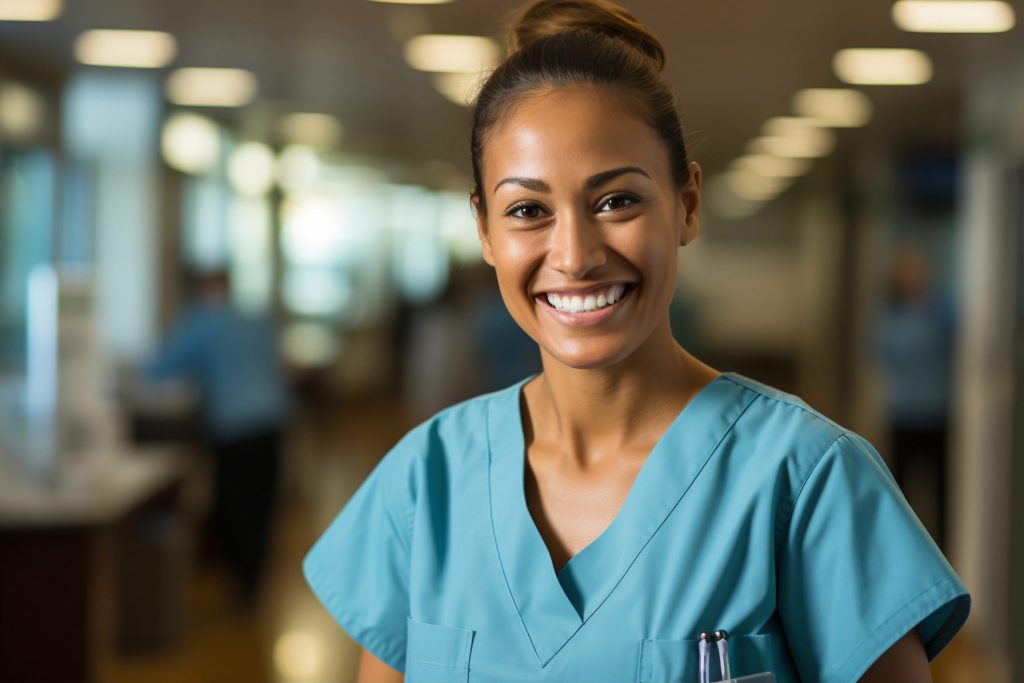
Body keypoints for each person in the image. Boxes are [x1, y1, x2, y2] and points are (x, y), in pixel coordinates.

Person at [303, 2, 969, 681]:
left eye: (616, 200)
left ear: (687, 204)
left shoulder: (806, 480)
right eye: (528, 211)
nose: (574, 255)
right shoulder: (426, 483)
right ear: (484, 230)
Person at [147, 268, 290, 607]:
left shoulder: (200, 322)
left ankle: (240, 588)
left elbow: (158, 369)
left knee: (234, 507)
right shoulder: (255, 320)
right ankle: (254, 583)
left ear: (200, 289)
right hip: (273, 423)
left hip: (234, 430)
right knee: (262, 507)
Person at [872, 244, 955, 551]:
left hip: (937, 412)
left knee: (942, 488)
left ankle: (943, 547)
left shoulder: (943, 311)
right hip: (903, 411)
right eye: (908, 270)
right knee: (900, 484)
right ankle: (901, 543)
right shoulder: (889, 314)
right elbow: (882, 352)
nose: (915, 276)